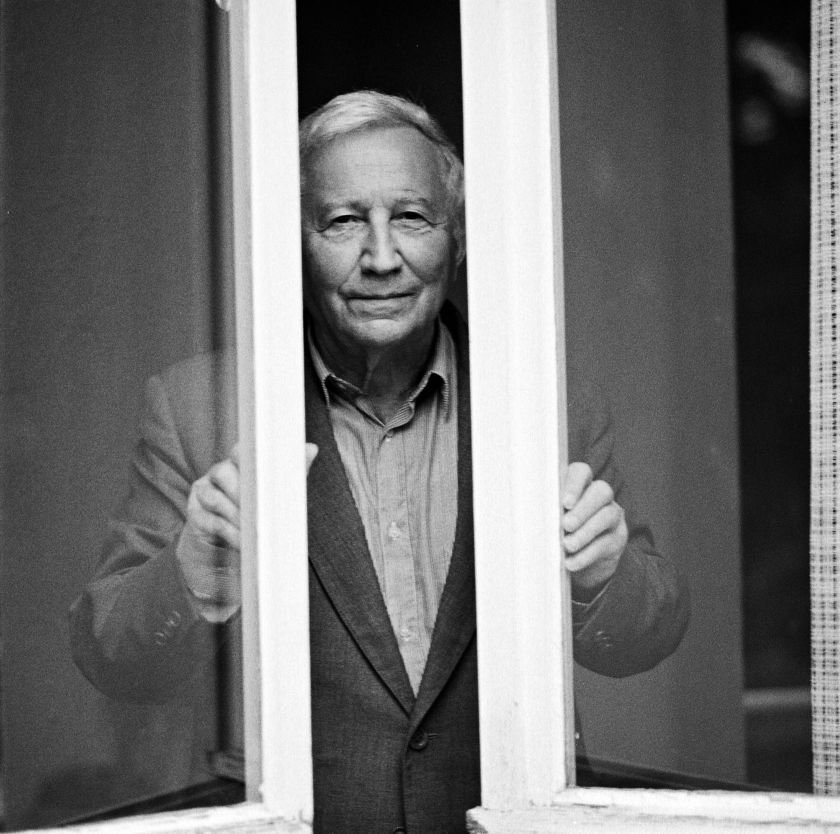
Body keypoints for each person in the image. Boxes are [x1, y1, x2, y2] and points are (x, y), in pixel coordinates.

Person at [70, 90, 689, 833]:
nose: (382, 258)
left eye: (413, 218)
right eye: (343, 221)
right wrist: (194, 569)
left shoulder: (546, 402)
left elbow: (650, 634)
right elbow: (112, 659)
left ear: (457, 239)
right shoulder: (197, 406)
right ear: (296, 242)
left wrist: (603, 577)